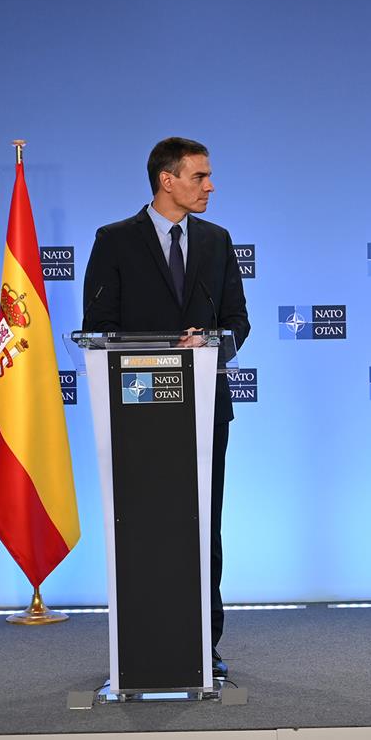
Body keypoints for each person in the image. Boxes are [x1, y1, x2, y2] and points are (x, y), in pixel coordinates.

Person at [83, 137, 250, 678]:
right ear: (167, 180)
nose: (210, 186)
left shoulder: (218, 241)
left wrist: (210, 342)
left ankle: (206, 642)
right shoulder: (114, 240)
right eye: (200, 176)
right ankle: (143, 640)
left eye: (208, 176)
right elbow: (98, 326)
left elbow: (237, 322)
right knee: (143, 526)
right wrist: (155, 349)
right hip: (137, 412)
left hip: (204, 408)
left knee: (204, 525)